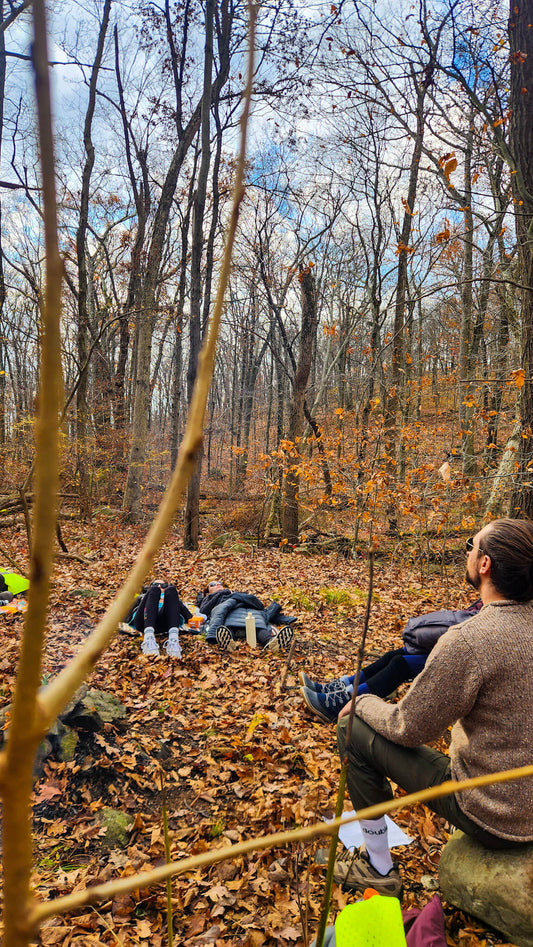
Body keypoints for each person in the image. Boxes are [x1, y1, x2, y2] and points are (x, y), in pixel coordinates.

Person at [329, 519, 533, 899]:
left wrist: (363, 701)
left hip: (493, 812)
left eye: (472, 545)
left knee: (350, 727)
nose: (468, 551)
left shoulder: (470, 639)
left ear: (485, 564)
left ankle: (376, 866)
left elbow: (408, 727)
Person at [299, 600, 482, 722]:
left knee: (400, 665)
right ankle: (342, 688)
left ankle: (343, 702)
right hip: (459, 648)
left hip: (466, 658)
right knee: (394, 655)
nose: (468, 552)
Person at [199, 579, 296, 653]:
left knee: (259, 626)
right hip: (230, 614)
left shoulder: (235, 594)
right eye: (212, 584)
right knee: (228, 627)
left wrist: (234, 595)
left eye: (219, 583)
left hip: (248, 612)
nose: (217, 584)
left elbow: (257, 604)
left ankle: (271, 643)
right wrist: (223, 593)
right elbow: (204, 610)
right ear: (207, 593)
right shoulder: (209, 598)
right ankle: (228, 643)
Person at [128, 580, 192, 658]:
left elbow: (188, 616)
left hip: (165, 624)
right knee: (154, 591)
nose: (159, 586)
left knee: (172, 590)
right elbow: (127, 612)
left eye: (163, 585)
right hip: (143, 622)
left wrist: (173, 600)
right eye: (155, 584)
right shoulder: (143, 597)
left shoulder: (171, 598)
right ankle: (148, 640)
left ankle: (173, 642)